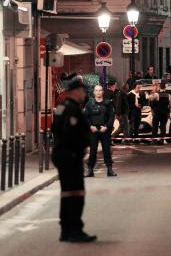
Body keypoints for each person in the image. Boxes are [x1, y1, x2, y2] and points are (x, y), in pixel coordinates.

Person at [51, 77, 98, 242]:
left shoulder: (60, 107)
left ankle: (65, 230)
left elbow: (54, 129)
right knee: (76, 194)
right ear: (76, 91)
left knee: (66, 194)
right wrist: (82, 146)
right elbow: (72, 133)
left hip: (61, 154)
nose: (85, 95)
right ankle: (75, 230)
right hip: (70, 156)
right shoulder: (72, 109)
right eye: (84, 91)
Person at [84, 85, 116, 177]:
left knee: (106, 150)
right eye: (96, 90)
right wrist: (90, 126)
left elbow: (111, 116)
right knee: (93, 150)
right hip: (93, 130)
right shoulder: (89, 103)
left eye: (100, 90)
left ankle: (110, 170)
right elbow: (85, 117)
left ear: (102, 92)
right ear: (94, 92)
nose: (98, 92)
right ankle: (90, 170)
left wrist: (106, 127)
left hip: (104, 130)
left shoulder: (108, 103)